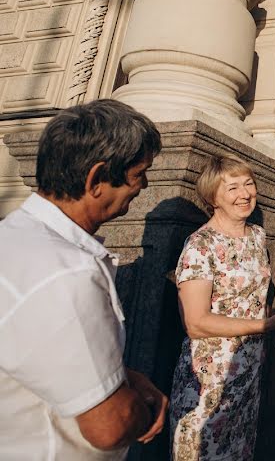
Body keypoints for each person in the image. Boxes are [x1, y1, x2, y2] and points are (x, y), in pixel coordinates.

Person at [0, 99, 168, 459]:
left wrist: (117, 375)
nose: (143, 185)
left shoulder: (13, 237)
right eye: (139, 174)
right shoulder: (66, 271)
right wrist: (138, 408)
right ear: (97, 179)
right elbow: (109, 426)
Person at [169, 154, 275, 460]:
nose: (245, 193)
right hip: (209, 378)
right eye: (233, 188)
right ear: (213, 197)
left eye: (249, 184)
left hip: (249, 371)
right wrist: (266, 326)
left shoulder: (257, 237)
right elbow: (196, 323)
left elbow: (250, 304)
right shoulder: (201, 245)